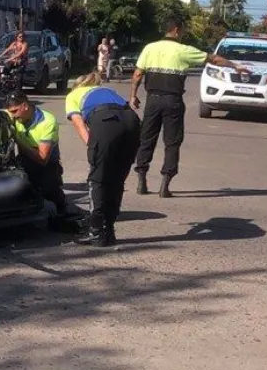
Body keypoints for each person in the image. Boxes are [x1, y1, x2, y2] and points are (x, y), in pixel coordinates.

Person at [130, 16, 250, 198]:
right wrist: (235, 66)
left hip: (152, 100)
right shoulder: (184, 50)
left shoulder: (150, 48)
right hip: (173, 101)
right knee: (172, 142)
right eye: (183, 30)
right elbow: (214, 59)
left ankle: (141, 179)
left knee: (146, 139)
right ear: (177, 30)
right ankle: (165, 184)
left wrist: (133, 95)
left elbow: (138, 74)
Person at [65, 72, 141, 246]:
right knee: (117, 180)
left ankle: (96, 232)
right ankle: (109, 230)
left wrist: (93, 148)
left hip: (106, 121)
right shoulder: (107, 90)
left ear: (77, 85)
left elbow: (78, 123)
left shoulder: (73, 95)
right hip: (132, 121)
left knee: (98, 180)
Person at [3, 92, 68, 222]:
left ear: (25, 106)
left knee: (49, 192)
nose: (13, 116)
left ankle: (62, 211)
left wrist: (16, 139)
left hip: (46, 164)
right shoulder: (13, 115)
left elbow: (42, 158)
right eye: (11, 112)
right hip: (24, 159)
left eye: (15, 111)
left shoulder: (47, 121)